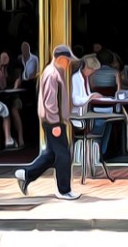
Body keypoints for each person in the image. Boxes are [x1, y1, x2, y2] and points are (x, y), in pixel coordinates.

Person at [15, 44, 81, 200]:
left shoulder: (55, 72)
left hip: (54, 121)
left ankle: (26, 174)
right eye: (67, 61)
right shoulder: (52, 74)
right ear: (61, 59)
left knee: (52, 155)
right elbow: (50, 102)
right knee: (64, 155)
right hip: (53, 122)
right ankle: (64, 190)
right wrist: (55, 123)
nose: (68, 64)